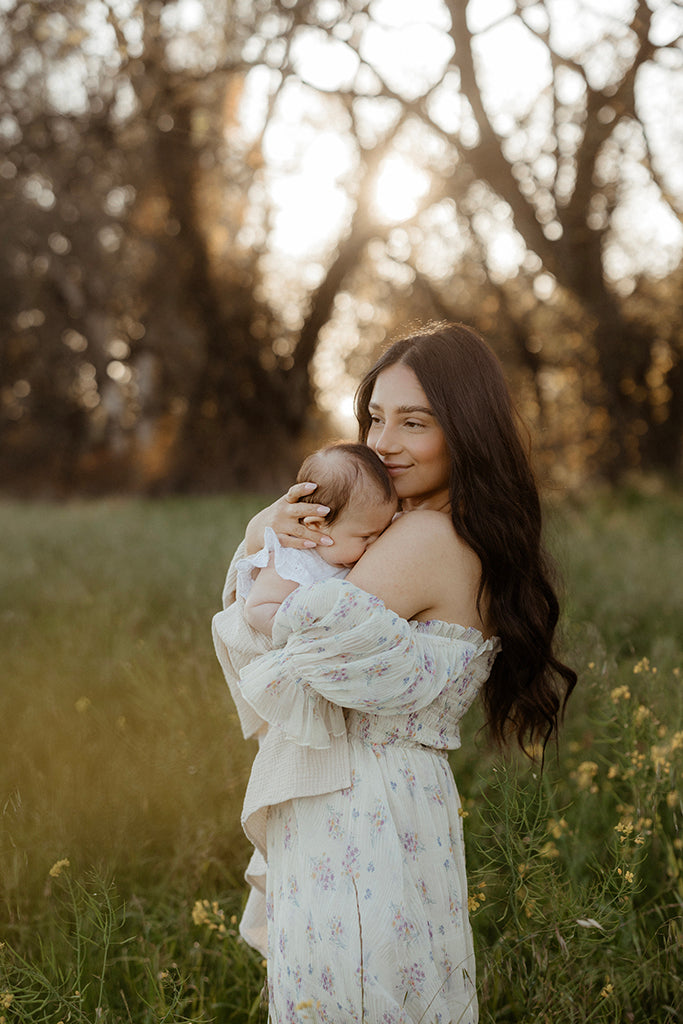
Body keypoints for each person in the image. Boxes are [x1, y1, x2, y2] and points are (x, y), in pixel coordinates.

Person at [212, 322, 576, 1024]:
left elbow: (287, 669)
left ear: (465, 430)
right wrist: (269, 534)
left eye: (415, 422)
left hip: (357, 805)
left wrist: (262, 541)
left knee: (353, 995)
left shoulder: (424, 537)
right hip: (397, 803)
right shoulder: (445, 528)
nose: (382, 443)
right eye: (376, 417)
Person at [238, 442, 398, 636]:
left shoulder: (347, 544)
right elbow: (256, 610)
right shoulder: (292, 565)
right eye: (366, 537)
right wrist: (300, 636)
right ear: (316, 525)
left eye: (382, 533)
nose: (375, 544)